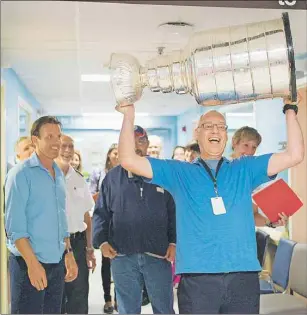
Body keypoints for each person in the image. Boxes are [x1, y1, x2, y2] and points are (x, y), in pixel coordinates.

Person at [115, 97, 304, 314]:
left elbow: (295, 154)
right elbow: (128, 159)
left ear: (226, 135)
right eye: (208, 126)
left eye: (221, 127)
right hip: (198, 282)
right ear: (198, 133)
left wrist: (290, 109)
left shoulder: (246, 168)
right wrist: (129, 116)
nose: (215, 130)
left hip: (243, 279)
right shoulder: (179, 172)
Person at [92, 125, 176, 314]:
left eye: (141, 141)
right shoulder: (112, 179)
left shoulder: (161, 174)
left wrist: (174, 242)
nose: (137, 146)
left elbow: (173, 212)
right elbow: (101, 213)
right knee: (128, 309)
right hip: (122, 255)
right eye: (131, 142)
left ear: (147, 144)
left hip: (157, 254)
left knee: (164, 308)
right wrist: (102, 242)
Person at [5, 116, 78, 314]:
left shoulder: (58, 174)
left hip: (56, 265)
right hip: (29, 264)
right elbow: (14, 227)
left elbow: (61, 220)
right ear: (35, 140)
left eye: (59, 136)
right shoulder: (21, 174)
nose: (57, 142)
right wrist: (32, 264)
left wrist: (68, 253)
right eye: (50, 136)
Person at [55, 135, 96, 314]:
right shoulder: (46, 176)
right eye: (64, 146)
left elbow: (87, 215)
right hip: (55, 244)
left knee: (79, 295)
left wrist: (89, 249)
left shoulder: (79, 178)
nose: (68, 150)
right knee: (55, 295)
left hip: (78, 242)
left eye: (71, 146)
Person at [231, 126, 288, 227]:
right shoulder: (222, 170)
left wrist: (271, 223)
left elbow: (253, 215)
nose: (250, 151)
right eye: (246, 145)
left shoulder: (252, 177)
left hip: (244, 238)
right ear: (234, 143)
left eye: (254, 147)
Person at [89, 143, 119, 314]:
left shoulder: (127, 171)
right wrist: (106, 194)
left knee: (120, 263)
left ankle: (118, 298)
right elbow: (91, 196)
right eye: (114, 153)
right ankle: (107, 298)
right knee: (107, 262)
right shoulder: (99, 173)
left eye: (119, 153)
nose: (116, 156)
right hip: (104, 222)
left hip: (120, 224)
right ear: (108, 155)